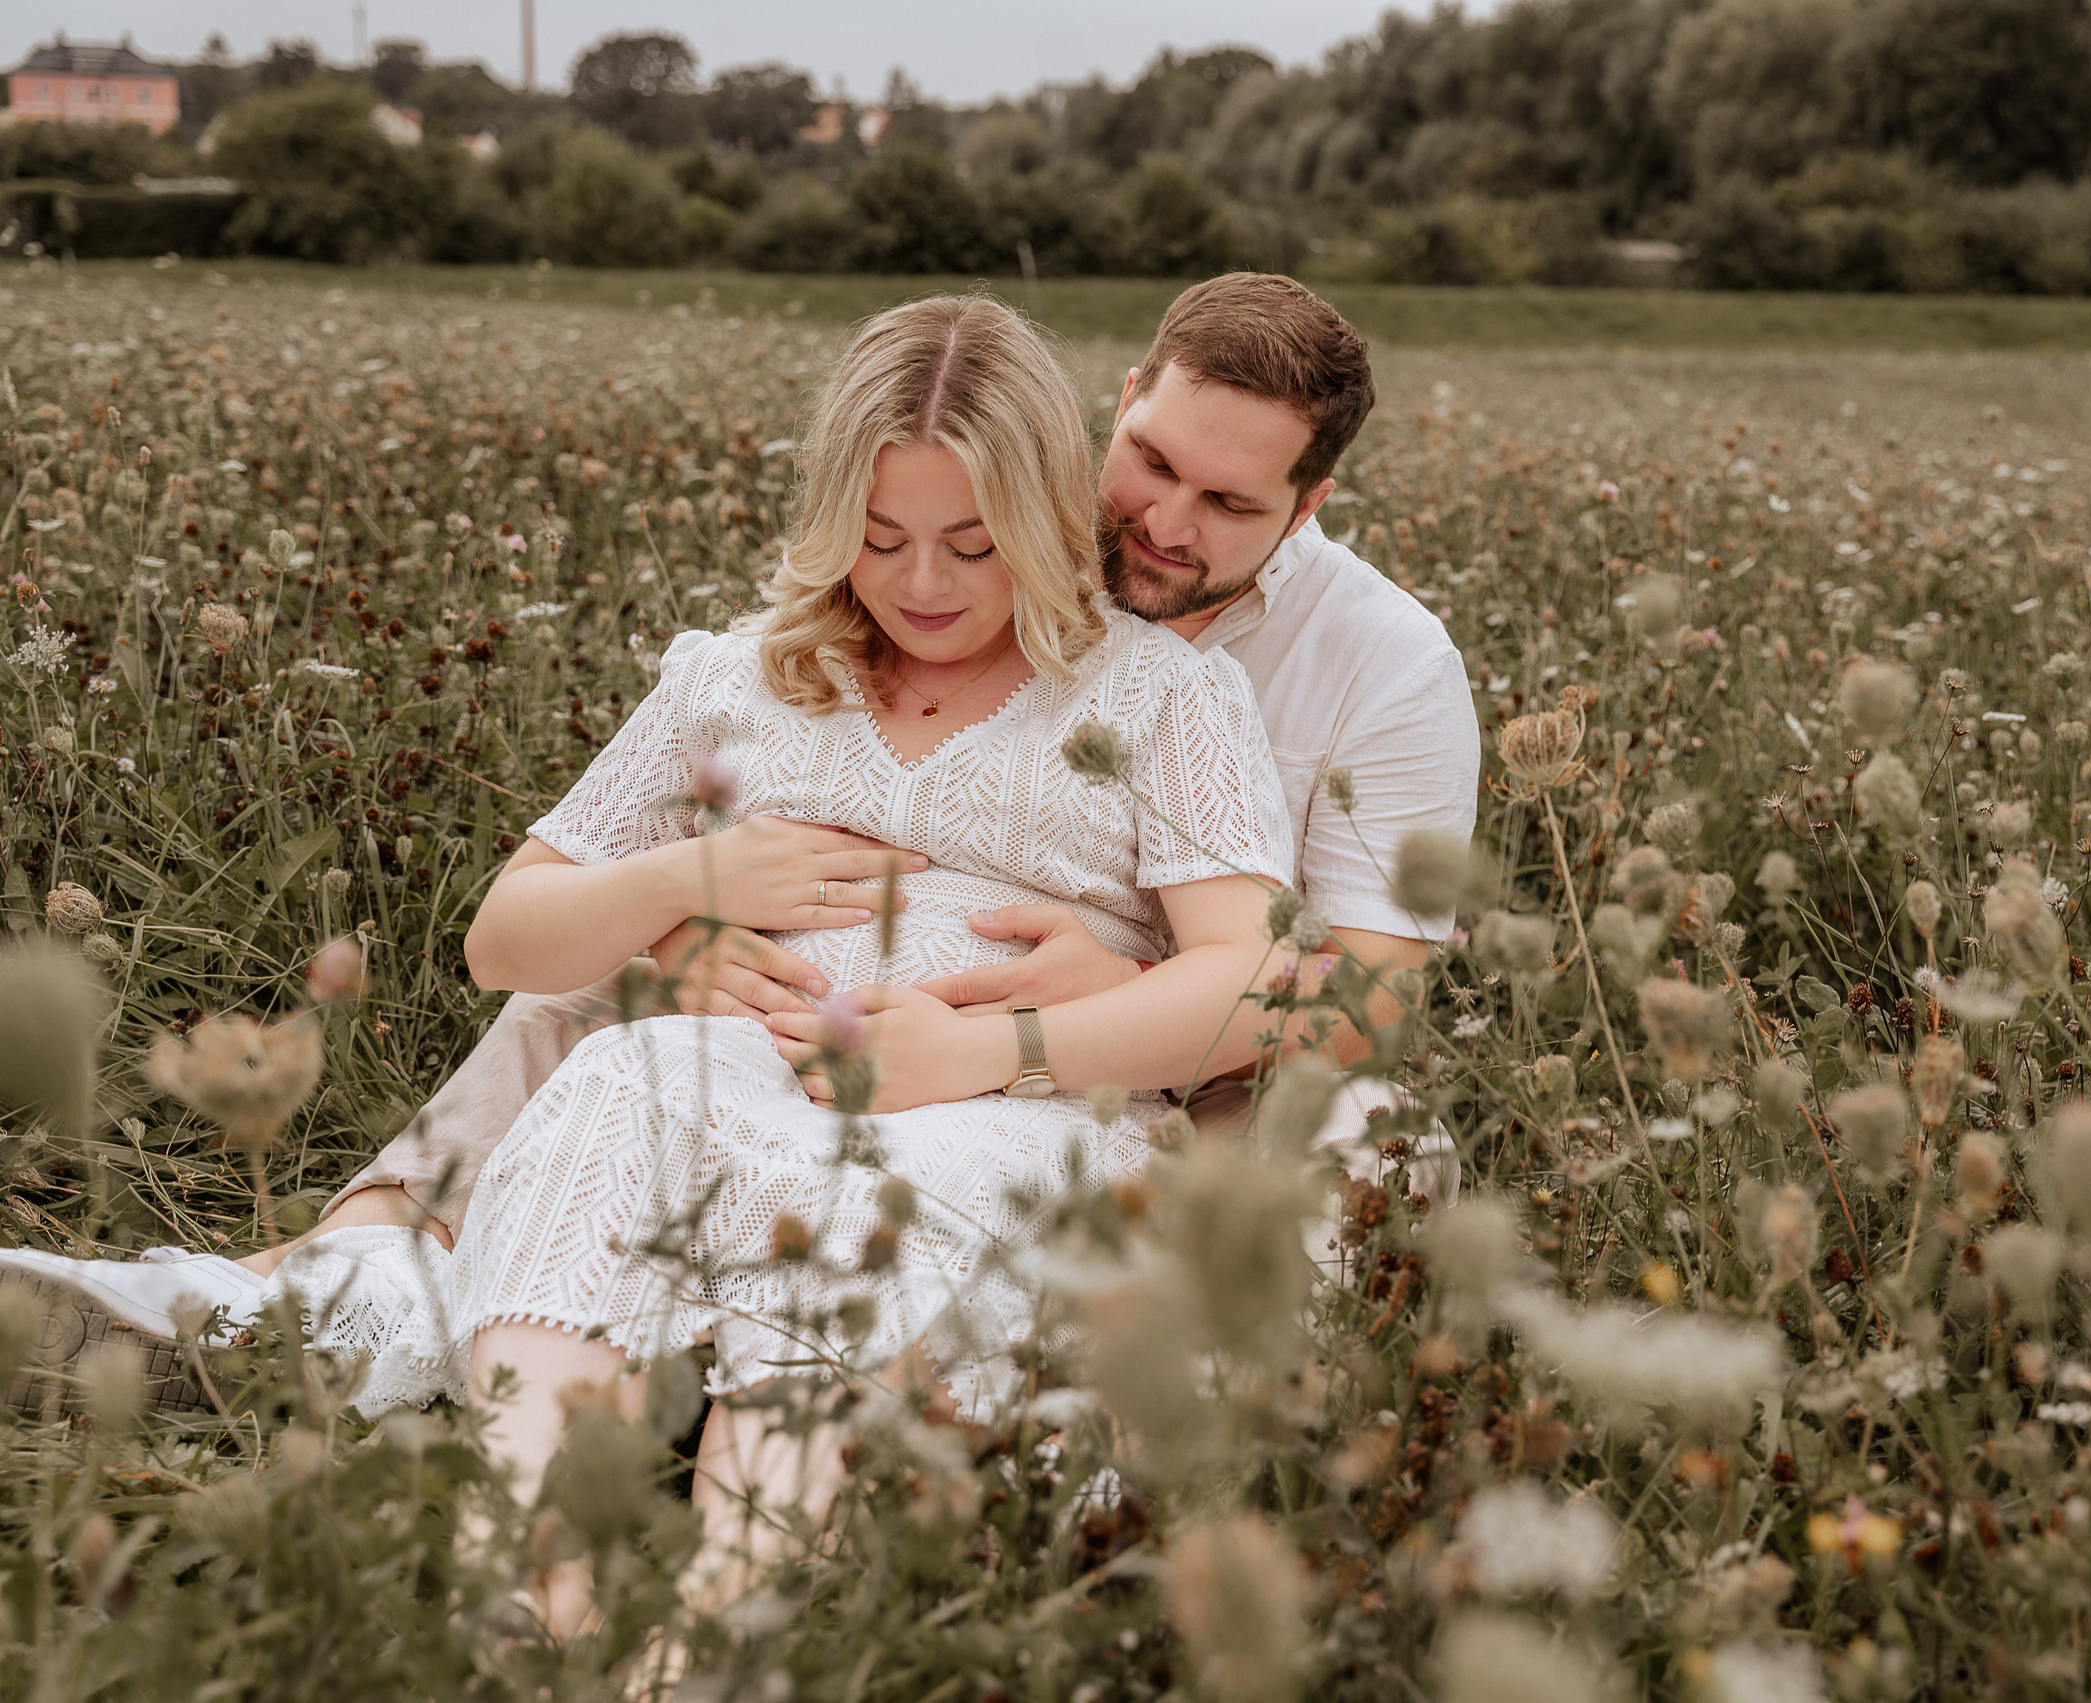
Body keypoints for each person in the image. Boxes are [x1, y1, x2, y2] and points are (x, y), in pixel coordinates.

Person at [0, 273, 1479, 1414]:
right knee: (625, 988)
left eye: (1228, 505)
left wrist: (1089, 1001)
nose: (1161, 523)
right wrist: (682, 912)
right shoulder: (960, 531)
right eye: (1149, 463)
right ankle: (327, 1287)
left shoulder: (1379, 667)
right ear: (1117, 402)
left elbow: (1358, 1002)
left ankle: (1052, 1409)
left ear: (1311, 503)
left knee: (1345, 1168)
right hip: (827, 1001)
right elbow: (780, 734)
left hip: (1173, 1051)